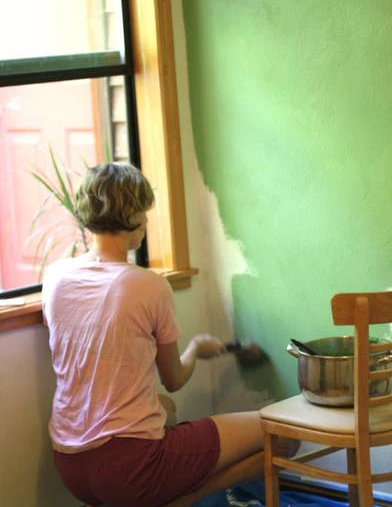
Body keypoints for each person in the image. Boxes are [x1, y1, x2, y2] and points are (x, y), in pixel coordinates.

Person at [42, 162, 295, 507]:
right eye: (145, 213)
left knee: (167, 409)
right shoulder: (147, 284)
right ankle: (184, 498)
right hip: (130, 469)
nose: (147, 222)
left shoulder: (55, 277)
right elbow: (173, 377)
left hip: (71, 465)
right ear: (132, 215)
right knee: (286, 435)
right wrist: (194, 350)